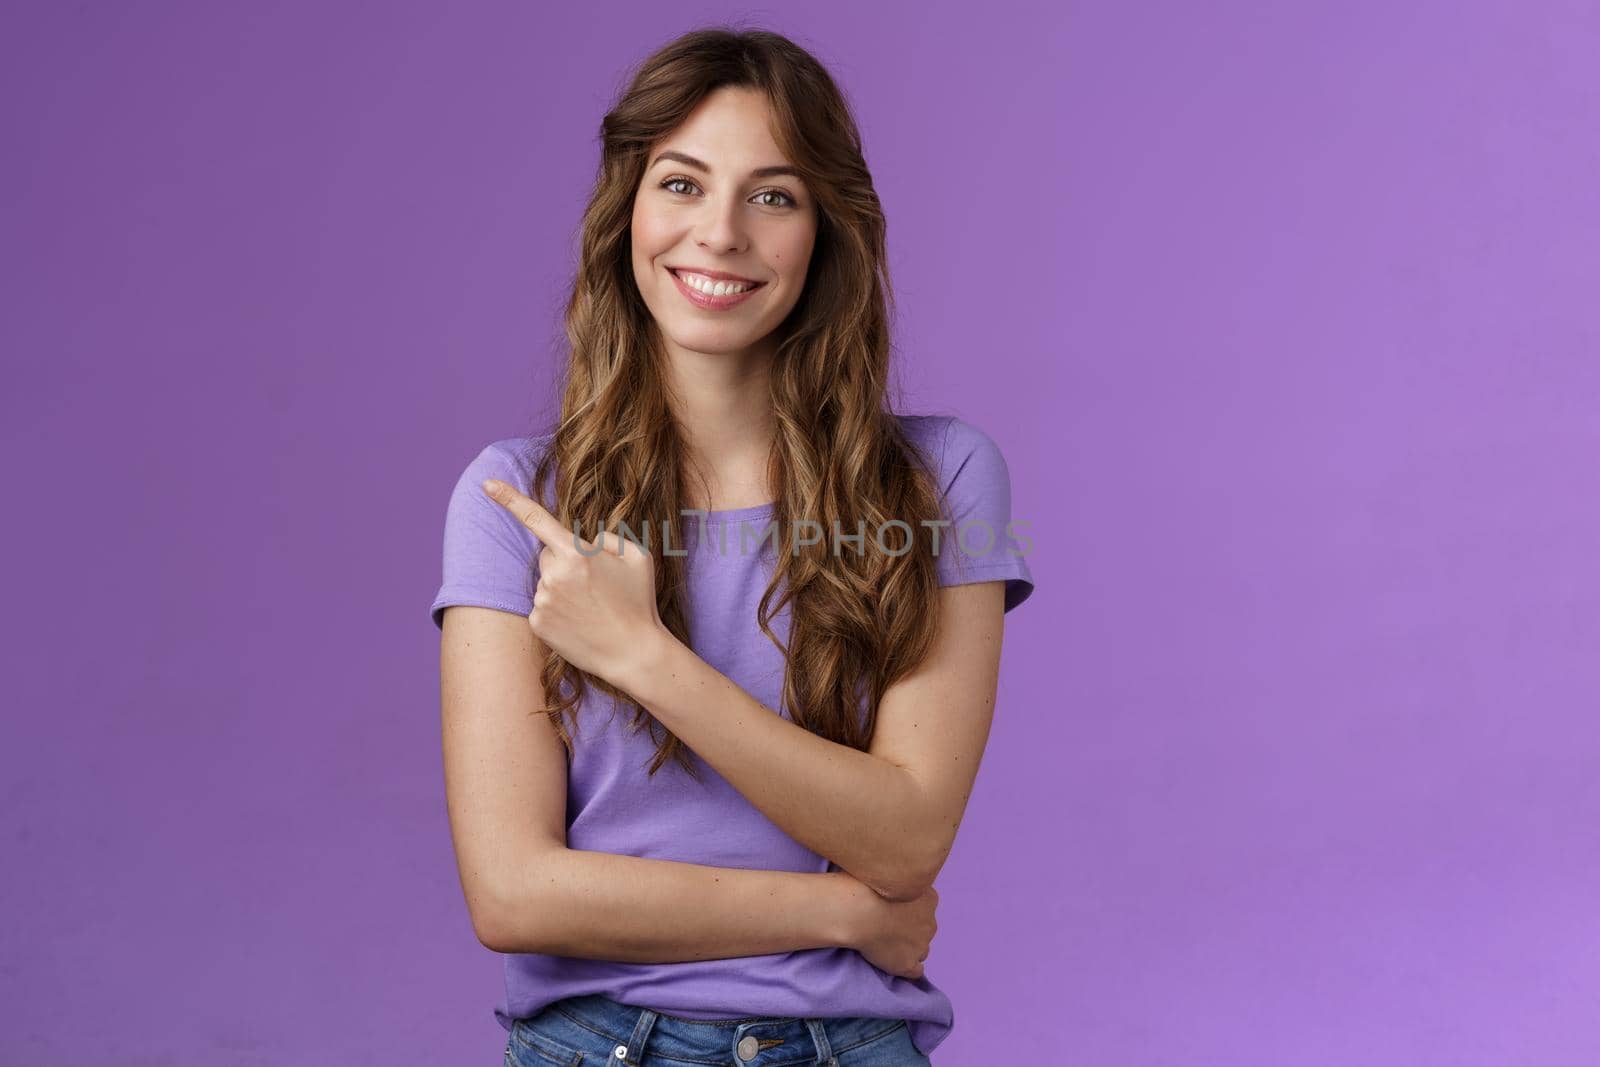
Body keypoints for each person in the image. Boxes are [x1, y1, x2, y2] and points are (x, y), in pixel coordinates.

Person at [429, 26, 1034, 1067]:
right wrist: (842, 913)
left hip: (848, 1047)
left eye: (772, 195)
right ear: (627, 210)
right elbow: (513, 893)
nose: (718, 233)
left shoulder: (947, 478)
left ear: (825, 231)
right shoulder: (512, 499)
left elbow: (906, 837)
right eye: (680, 183)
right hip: (592, 1048)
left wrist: (644, 658)